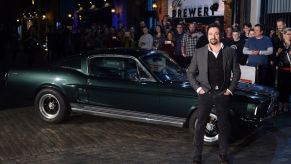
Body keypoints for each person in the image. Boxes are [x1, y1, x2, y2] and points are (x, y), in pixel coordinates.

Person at [187, 23, 241, 164]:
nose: (213, 36)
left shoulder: (230, 52)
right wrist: (198, 89)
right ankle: (197, 155)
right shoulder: (200, 52)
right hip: (205, 94)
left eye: (216, 33)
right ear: (207, 35)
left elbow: (236, 72)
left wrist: (230, 89)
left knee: (223, 125)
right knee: (200, 126)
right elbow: (190, 73)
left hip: (223, 94)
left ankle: (223, 154)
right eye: (210, 34)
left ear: (220, 35)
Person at [277, 27, 291, 113]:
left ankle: (285, 104)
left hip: (290, 69)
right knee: (280, 87)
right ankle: (279, 104)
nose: (290, 36)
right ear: (284, 34)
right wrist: (278, 52)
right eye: (288, 34)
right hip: (281, 69)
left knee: (288, 87)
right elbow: (274, 56)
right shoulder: (280, 43)